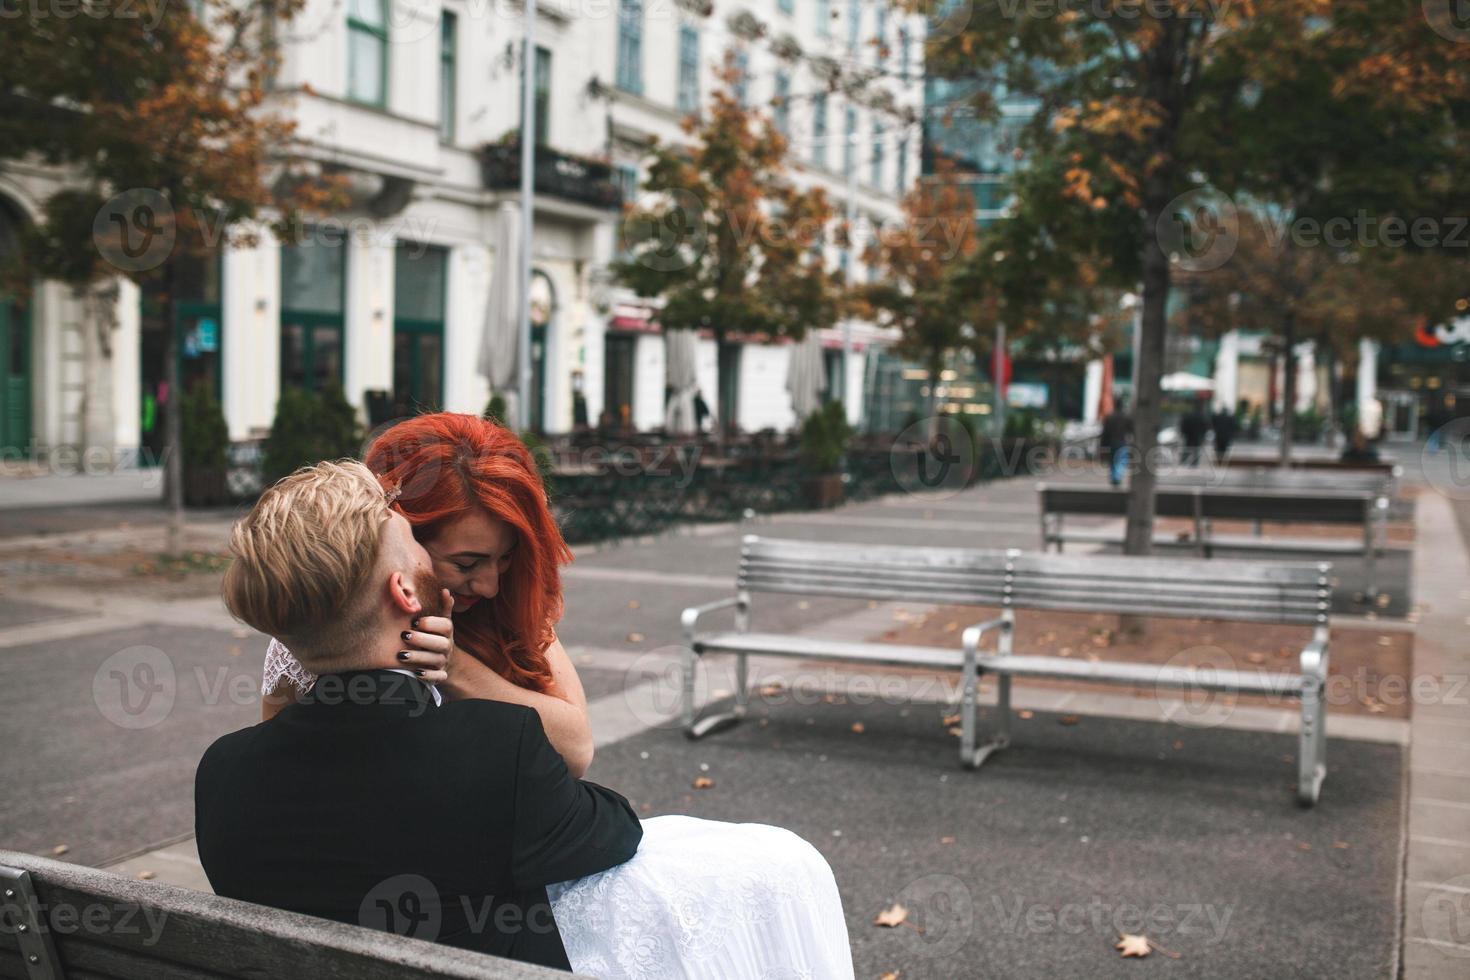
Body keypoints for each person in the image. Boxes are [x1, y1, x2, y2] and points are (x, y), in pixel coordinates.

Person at [248, 414, 855, 978]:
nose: (488, 582)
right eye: (465, 563)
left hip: (487, 879)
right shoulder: (310, 651)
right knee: (766, 875)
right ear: (397, 544)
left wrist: (456, 668)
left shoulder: (510, 609)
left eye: (505, 560)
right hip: (462, 907)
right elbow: (295, 770)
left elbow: (576, 747)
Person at [198, 460, 644, 969]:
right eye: (413, 541)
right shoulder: (499, 751)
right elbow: (615, 831)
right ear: (405, 590)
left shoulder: (222, 773)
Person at [1099, 400, 1133, 487]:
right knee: (1121, 460)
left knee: (1112, 461)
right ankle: (1116, 476)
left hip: (1111, 442)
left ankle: (1114, 476)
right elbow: (1131, 430)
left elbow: (1104, 432)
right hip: (1122, 441)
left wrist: (1102, 445)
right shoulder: (1126, 417)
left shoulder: (1109, 417)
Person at [1179, 400, 1209, 466]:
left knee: (1187, 448)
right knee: (1196, 449)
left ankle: (1183, 461)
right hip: (1197, 435)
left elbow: (1183, 424)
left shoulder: (1188, 415)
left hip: (1189, 435)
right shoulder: (1201, 416)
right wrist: (1203, 434)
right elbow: (1205, 426)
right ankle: (1194, 462)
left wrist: (1183, 432)